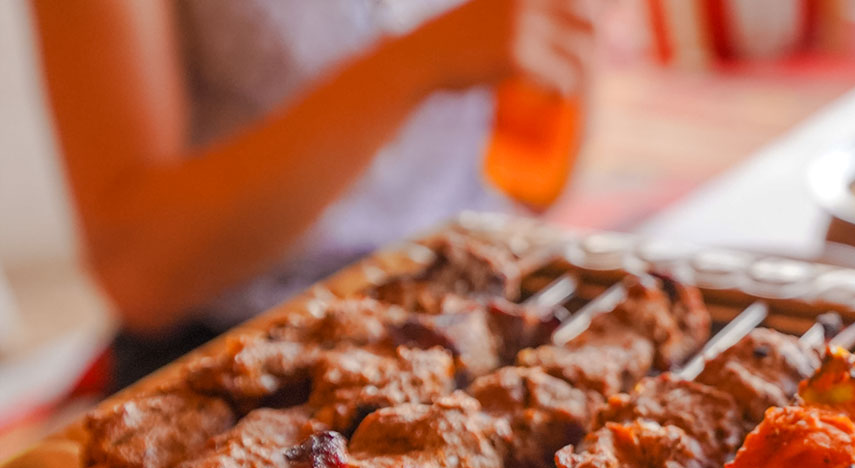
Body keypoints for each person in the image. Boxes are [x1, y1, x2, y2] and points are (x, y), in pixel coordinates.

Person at [28, 0, 594, 383]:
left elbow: (537, 183)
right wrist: (414, 64)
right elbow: (140, 266)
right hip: (235, 359)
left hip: (479, 313)